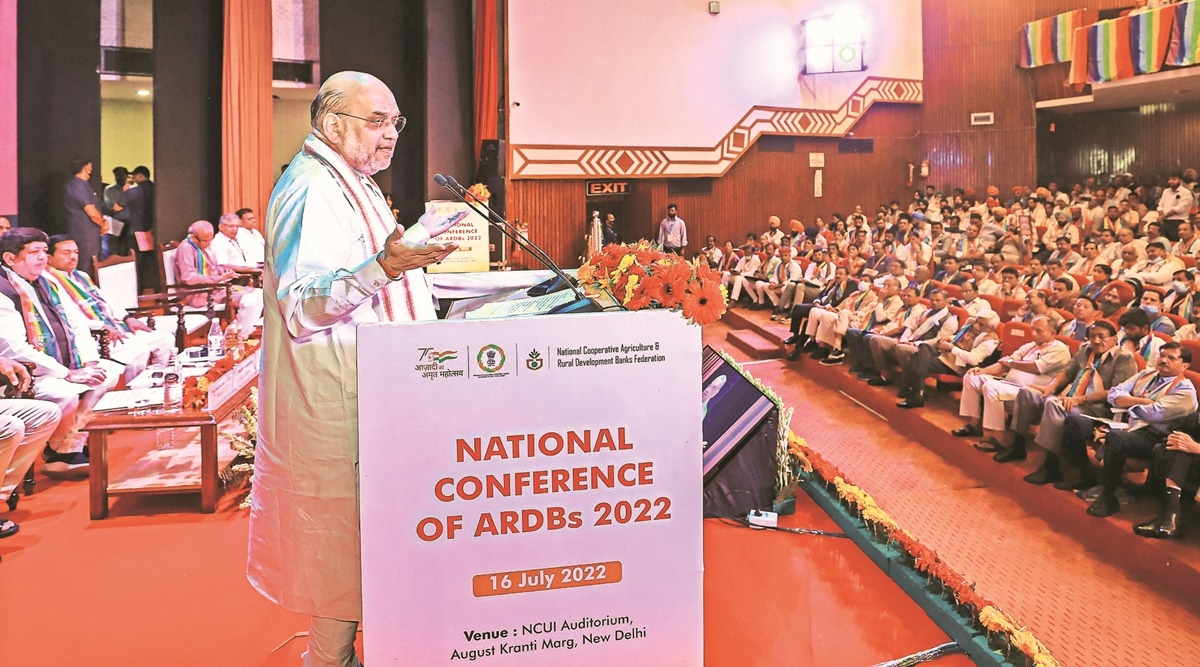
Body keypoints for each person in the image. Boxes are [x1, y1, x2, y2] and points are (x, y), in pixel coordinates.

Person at [248, 71, 464, 667]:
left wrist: (410, 261)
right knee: (343, 553)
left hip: (373, 391)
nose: (390, 133)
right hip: (338, 397)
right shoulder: (315, 187)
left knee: (361, 548)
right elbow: (305, 303)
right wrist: (388, 267)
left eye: (396, 121)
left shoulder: (353, 180)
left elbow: (371, 266)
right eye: (377, 121)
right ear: (331, 123)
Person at [0, 228, 119, 479]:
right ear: (10, 259)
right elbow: (14, 347)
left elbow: (77, 324)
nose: (43, 257)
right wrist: (68, 373)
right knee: (65, 394)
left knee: (107, 375)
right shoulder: (4, 290)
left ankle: (66, 448)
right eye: (34, 252)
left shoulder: (48, 280)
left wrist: (89, 362)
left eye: (44, 251)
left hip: (65, 366)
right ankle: (60, 451)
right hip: (27, 373)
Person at [1060, 343, 1197, 517]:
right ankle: (1086, 475)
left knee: (1117, 438)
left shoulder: (1185, 390)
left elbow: (1153, 414)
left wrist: (1127, 403)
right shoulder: (1146, 374)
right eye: (1162, 355)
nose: (1163, 360)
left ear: (1184, 365)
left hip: (1155, 436)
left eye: (1171, 358)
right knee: (1075, 421)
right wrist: (1140, 402)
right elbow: (1113, 394)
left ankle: (1108, 497)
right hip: (1126, 424)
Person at [44, 234, 174, 379]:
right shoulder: (49, 281)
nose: (73, 257)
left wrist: (127, 318)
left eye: (76, 252)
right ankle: (131, 393)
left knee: (165, 339)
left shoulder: (81, 275)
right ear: (49, 257)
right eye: (66, 253)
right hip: (96, 334)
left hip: (114, 325)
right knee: (139, 351)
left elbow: (107, 300)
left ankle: (157, 381)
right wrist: (101, 326)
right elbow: (70, 316)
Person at [173, 220, 265, 336]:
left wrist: (224, 272)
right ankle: (236, 335)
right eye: (205, 241)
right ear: (193, 237)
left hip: (215, 288)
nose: (208, 244)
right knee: (250, 300)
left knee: (260, 294)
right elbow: (189, 278)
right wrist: (217, 278)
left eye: (209, 240)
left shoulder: (201, 247)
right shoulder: (186, 248)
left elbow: (212, 267)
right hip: (200, 293)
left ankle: (239, 331)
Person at [62, 158, 109, 275]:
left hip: (89, 233)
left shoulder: (83, 186)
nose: (91, 169)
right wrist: (103, 225)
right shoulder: (78, 187)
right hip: (85, 235)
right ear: (85, 167)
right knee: (86, 266)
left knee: (92, 264)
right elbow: (91, 212)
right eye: (90, 166)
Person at [125, 165, 157, 289]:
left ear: (140, 176)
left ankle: (137, 290)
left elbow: (120, 206)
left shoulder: (133, 192)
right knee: (153, 262)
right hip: (153, 230)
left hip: (136, 230)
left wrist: (126, 187)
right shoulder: (157, 189)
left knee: (137, 262)